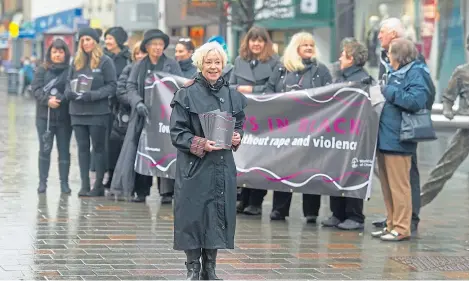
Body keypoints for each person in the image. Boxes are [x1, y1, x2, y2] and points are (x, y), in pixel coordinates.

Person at [170, 41, 247, 280]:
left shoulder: (233, 95)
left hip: (222, 166)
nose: (213, 67)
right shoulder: (186, 93)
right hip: (194, 166)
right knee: (193, 215)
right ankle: (193, 267)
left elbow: (240, 123)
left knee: (217, 214)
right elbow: (177, 132)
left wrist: (237, 137)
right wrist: (201, 143)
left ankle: (210, 268)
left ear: (224, 65)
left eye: (217, 62)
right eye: (208, 62)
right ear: (199, 64)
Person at [373, 18, 433, 232]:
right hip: (386, 135)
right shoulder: (390, 69)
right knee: (389, 186)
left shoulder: (415, 70)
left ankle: (404, 225)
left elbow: (419, 100)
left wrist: (389, 92)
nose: (379, 37)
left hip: (401, 135)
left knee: (402, 184)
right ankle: (392, 223)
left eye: (382, 32)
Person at [265, 31, 332, 222]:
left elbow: (331, 95)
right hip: (286, 129)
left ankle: (311, 212)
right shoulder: (281, 69)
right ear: (296, 49)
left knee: (311, 168)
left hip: (312, 129)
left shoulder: (322, 70)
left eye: (311, 45)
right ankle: (280, 208)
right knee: (285, 168)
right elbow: (269, 91)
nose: (309, 48)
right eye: (305, 45)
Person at [126, 29, 183, 203]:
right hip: (143, 115)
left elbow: (179, 86)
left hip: (165, 116)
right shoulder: (140, 65)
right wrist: (138, 103)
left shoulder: (171, 64)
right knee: (142, 150)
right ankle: (141, 190)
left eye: (160, 44)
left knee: (165, 150)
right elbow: (130, 86)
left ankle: (166, 192)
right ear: (147, 46)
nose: (158, 48)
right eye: (154, 44)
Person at [229, 26, 279, 216]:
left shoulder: (275, 63)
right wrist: (241, 88)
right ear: (247, 42)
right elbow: (230, 85)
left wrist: (250, 90)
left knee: (260, 158)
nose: (256, 44)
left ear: (266, 43)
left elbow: (273, 89)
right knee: (243, 156)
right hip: (242, 115)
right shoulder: (239, 61)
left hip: (263, 117)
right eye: (253, 40)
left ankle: (256, 201)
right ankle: (243, 198)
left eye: (260, 40)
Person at [322, 38, 369, 230]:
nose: (340, 57)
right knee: (336, 172)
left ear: (351, 58)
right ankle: (337, 213)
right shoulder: (340, 76)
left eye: (343, 54)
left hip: (354, 136)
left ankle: (355, 216)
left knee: (352, 174)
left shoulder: (362, 79)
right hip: (338, 134)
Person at [64, 27, 117, 197]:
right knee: (82, 148)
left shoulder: (105, 61)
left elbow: (112, 85)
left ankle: (98, 186)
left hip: (98, 112)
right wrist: (68, 93)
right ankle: (84, 185)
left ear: (95, 41)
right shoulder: (75, 61)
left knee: (99, 148)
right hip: (77, 112)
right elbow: (67, 83)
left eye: (89, 39)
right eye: (83, 40)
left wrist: (93, 95)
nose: (86, 43)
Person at [420, 34, 469, 207]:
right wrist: (448, 110)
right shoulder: (461, 72)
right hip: (466, 130)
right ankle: (415, 206)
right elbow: (448, 98)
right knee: (443, 170)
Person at [32, 39, 72, 194]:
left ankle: (64, 183)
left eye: (60, 52)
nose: (57, 55)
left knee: (64, 149)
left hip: (64, 118)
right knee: (44, 149)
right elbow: (35, 89)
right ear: (50, 53)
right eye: (54, 52)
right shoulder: (42, 69)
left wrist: (60, 99)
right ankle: (43, 182)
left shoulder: (70, 70)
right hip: (44, 118)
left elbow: (71, 89)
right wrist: (47, 100)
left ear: (65, 53)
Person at [113, 41, 148, 201]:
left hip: (149, 117)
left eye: (143, 53)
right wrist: (135, 101)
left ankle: (142, 190)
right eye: (137, 53)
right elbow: (120, 91)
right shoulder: (129, 70)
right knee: (129, 154)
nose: (140, 56)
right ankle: (127, 187)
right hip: (130, 118)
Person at [102, 26, 131, 194]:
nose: (107, 41)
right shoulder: (103, 57)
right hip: (105, 106)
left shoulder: (127, 59)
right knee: (107, 144)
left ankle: (119, 176)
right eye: (106, 38)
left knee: (120, 143)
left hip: (122, 106)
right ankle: (109, 174)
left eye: (110, 38)